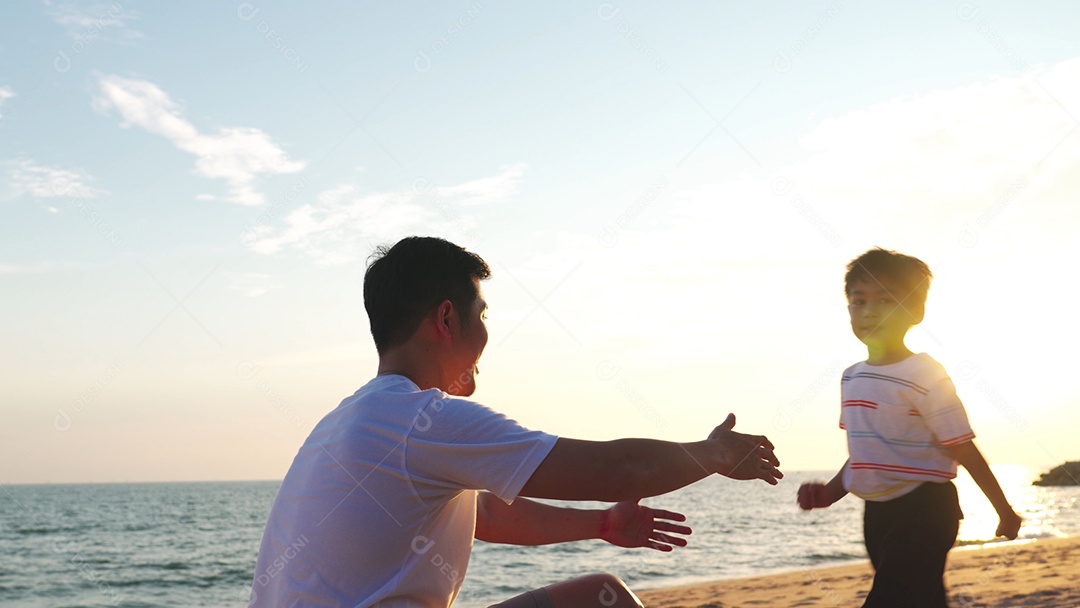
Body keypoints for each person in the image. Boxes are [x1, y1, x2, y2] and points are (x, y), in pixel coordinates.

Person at [250, 236, 783, 608]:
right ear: (446, 319)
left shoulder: (344, 422)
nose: (485, 336)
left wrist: (601, 526)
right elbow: (619, 469)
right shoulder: (421, 420)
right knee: (607, 603)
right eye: (481, 316)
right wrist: (712, 454)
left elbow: (486, 514)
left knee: (598, 596)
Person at [797, 247, 1022, 607]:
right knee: (924, 599)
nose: (870, 311)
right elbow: (863, 454)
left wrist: (1004, 510)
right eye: (859, 300)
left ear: (915, 311)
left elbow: (962, 447)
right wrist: (829, 493)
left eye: (886, 300)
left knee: (892, 599)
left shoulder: (924, 374)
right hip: (877, 514)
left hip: (927, 508)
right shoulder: (851, 377)